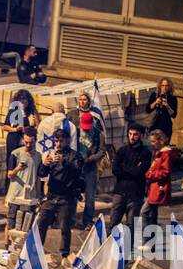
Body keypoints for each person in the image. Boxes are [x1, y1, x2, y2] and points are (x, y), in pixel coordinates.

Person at [36, 127, 82, 256]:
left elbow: (77, 170)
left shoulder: (74, 156)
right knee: (41, 224)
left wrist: (64, 162)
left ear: (67, 141)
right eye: (56, 141)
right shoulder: (52, 155)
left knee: (65, 228)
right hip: (51, 196)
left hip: (66, 198)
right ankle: (37, 252)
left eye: (61, 141)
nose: (58, 144)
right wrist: (45, 164)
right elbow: (41, 173)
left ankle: (64, 254)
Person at [69, 91, 105, 228]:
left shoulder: (98, 134)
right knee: (73, 192)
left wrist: (91, 159)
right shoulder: (76, 132)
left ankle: (88, 220)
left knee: (90, 195)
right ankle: (71, 218)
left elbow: (102, 151)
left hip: (90, 166)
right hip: (77, 165)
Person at [110, 124, 151, 229]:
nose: (132, 137)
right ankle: (112, 245)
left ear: (141, 135)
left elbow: (140, 172)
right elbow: (115, 170)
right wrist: (132, 169)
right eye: (130, 134)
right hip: (119, 192)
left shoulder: (146, 153)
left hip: (135, 194)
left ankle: (129, 245)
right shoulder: (122, 151)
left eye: (135, 134)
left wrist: (124, 167)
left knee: (132, 226)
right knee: (113, 224)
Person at [4, 126, 42, 234]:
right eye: (26, 142)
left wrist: (39, 196)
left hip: (30, 196)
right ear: (23, 140)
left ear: (35, 141)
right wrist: (18, 169)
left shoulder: (38, 156)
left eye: (31, 143)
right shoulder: (16, 154)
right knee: (11, 223)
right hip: (15, 194)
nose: (28, 145)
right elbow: (9, 174)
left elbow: (38, 178)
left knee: (27, 225)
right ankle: (8, 245)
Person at [142, 129, 174, 229]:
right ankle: (152, 239)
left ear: (160, 141)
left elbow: (165, 172)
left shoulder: (165, 155)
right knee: (152, 214)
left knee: (145, 212)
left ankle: (147, 237)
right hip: (154, 187)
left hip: (158, 187)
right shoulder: (158, 153)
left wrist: (150, 174)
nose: (151, 144)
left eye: (153, 141)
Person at [3, 88, 38, 158]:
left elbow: (38, 125)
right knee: (13, 159)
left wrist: (30, 128)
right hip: (14, 139)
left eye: (25, 100)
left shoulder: (32, 110)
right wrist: (16, 129)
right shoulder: (14, 111)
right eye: (20, 100)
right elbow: (5, 126)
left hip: (28, 140)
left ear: (28, 100)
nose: (23, 102)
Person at [146, 78, 178, 142]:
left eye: (166, 86)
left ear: (169, 87)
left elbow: (174, 115)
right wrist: (155, 102)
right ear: (159, 86)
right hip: (155, 125)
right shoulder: (154, 95)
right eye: (162, 85)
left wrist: (167, 105)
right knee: (154, 145)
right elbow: (148, 110)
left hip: (166, 126)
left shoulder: (172, 98)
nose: (164, 88)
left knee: (164, 146)